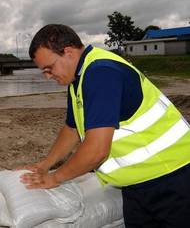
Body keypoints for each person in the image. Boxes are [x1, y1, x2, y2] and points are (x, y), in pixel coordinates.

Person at [19, 24, 190, 227]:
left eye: (49, 68)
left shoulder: (101, 73)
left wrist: (55, 178)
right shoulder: (79, 80)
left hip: (172, 180)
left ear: (68, 52)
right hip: (136, 185)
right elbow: (72, 128)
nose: (47, 76)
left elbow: (97, 150)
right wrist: (44, 165)